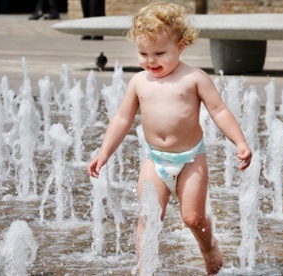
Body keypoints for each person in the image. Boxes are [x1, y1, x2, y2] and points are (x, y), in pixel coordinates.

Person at [87, 1, 252, 275]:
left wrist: (240, 142)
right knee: (148, 218)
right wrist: (104, 153)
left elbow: (219, 110)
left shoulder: (194, 78)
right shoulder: (139, 82)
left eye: (159, 53)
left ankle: (209, 247)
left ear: (181, 47)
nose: (151, 61)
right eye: (143, 53)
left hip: (190, 159)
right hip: (155, 160)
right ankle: (144, 268)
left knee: (193, 218)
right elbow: (122, 119)